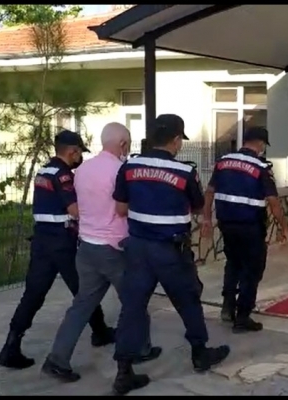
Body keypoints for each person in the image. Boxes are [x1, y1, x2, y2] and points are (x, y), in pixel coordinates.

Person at [111, 114, 230, 395]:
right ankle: (200, 353)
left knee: (132, 307)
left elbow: (120, 209)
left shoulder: (129, 167)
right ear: (176, 140)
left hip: (138, 248)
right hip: (170, 251)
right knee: (188, 300)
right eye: (180, 141)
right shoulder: (184, 172)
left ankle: (123, 372)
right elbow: (198, 207)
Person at [42, 123, 161, 383]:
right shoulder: (122, 170)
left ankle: (57, 359)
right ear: (122, 144)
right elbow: (124, 208)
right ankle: (140, 350)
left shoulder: (82, 169)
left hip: (86, 246)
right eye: (127, 143)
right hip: (113, 248)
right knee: (134, 302)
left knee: (81, 306)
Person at [0, 130, 115, 370]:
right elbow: (75, 210)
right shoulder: (63, 175)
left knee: (33, 294)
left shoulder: (44, 171)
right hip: (62, 243)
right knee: (85, 290)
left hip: (42, 242)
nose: (80, 157)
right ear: (72, 151)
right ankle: (100, 332)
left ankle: (10, 346)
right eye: (79, 152)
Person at [201, 126, 288, 333]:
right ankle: (242, 317)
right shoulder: (261, 167)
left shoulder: (222, 162)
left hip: (226, 224)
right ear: (260, 143)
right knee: (252, 270)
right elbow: (273, 202)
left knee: (233, 263)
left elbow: (209, 191)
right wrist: (284, 227)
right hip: (251, 227)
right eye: (263, 145)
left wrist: (206, 218)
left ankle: (227, 307)